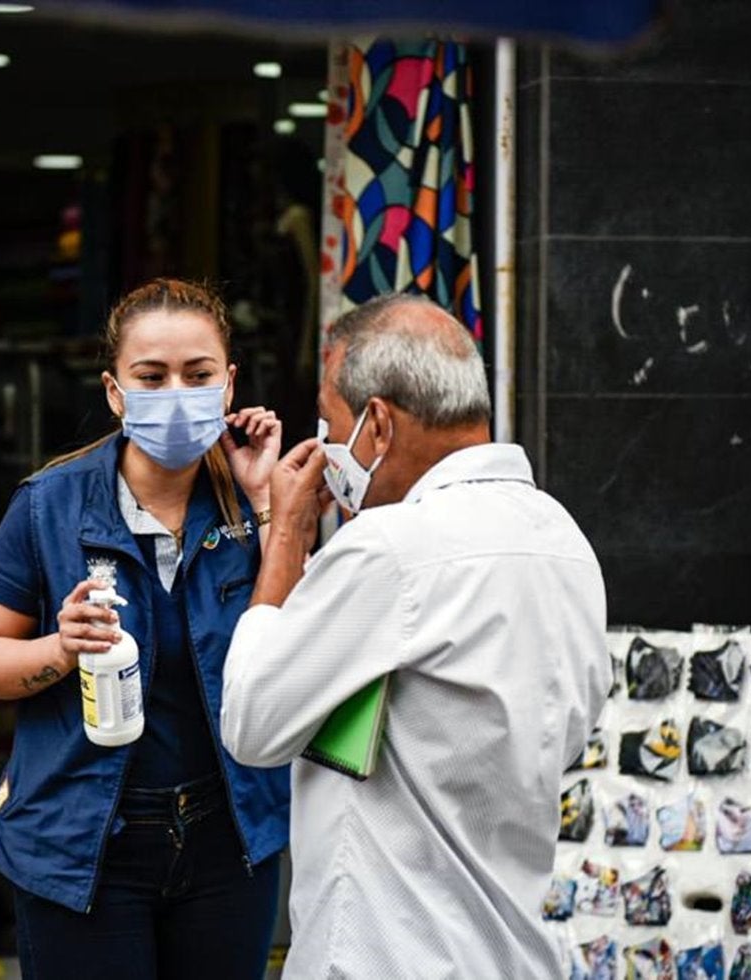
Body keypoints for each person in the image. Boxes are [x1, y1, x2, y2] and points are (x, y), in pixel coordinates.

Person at [219, 292, 612, 977]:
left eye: (332, 426)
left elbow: (252, 722)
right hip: (509, 949)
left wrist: (285, 534)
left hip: (386, 953)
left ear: (377, 424)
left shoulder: (392, 547)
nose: (330, 450)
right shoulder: (563, 540)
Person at [0, 278, 291, 979]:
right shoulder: (49, 506)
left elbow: (299, 648)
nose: (176, 391)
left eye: (198, 375)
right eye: (152, 375)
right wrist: (60, 645)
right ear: (115, 392)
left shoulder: (257, 505)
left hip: (226, 840)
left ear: (229, 385)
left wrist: (270, 506)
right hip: (82, 844)